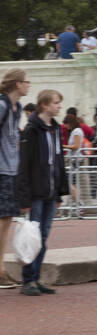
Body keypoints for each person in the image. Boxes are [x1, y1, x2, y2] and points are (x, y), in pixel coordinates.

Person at [16, 88, 69, 295]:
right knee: (33, 237)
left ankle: (35, 278)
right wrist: (24, 197)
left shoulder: (55, 128)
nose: (59, 106)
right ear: (45, 104)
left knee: (43, 237)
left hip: (50, 191)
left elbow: (58, 161)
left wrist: (59, 192)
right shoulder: (32, 129)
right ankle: (27, 280)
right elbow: (25, 164)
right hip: (36, 192)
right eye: (56, 102)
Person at [0, 68, 28, 289]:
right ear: (18, 84)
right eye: (27, 81)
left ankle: (0, 269)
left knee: (7, 218)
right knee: (3, 219)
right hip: (2, 169)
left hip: (11, 169)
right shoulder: (2, 106)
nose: (29, 85)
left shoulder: (16, 108)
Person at [64, 109, 90, 207]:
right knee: (72, 183)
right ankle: (77, 203)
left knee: (70, 182)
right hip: (73, 160)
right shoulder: (75, 131)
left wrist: (64, 146)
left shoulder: (76, 131)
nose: (66, 126)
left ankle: (78, 203)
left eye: (66, 124)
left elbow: (76, 146)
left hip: (75, 160)